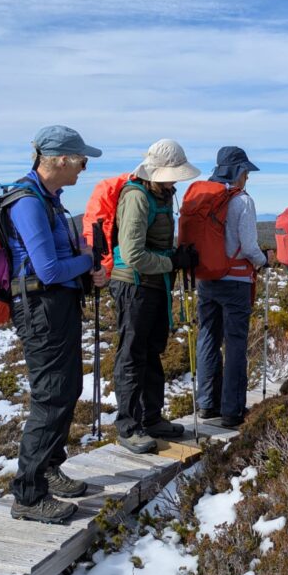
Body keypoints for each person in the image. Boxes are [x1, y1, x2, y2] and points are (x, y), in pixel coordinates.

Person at [7, 125, 107, 523]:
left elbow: (55, 264)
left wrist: (85, 270)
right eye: (81, 160)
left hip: (56, 306)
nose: (84, 167)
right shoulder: (30, 203)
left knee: (67, 387)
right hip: (41, 309)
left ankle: (48, 469)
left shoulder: (50, 200)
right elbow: (47, 269)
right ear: (61, 160)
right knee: (51, 396)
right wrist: (87, 261)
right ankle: (28, 495)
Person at [110, 140, 201, 453]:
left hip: (153, 282)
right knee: (132, 354)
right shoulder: (136, 196)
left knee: (150, 351)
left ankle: (150, 418)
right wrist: (172, 262)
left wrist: (175, 256)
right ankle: (128, 425)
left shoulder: (161, 193)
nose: (176, 180)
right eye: (172, 174)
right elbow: (133, 253)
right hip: (134, 285)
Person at [195, 147, 272, 427]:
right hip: (236, 280)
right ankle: (232, 411)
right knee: (235, 344)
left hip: (205, 279)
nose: (247, 178)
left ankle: (206, 405)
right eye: (246, 172)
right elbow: (249, 245)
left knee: (207, 338)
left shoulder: (202, 195)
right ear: (238, 172)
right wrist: (263, 262)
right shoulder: (242, 201)